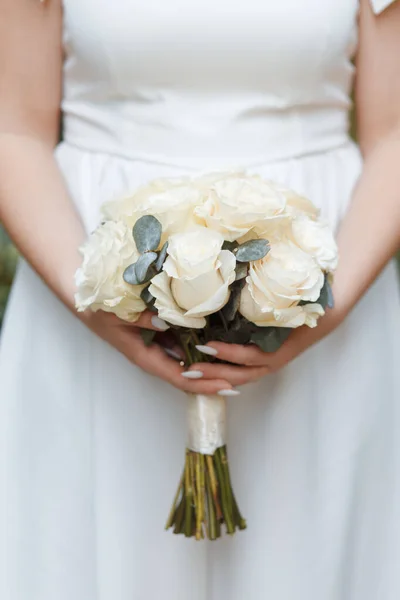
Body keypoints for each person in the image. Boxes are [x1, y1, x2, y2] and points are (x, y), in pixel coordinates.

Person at [0, 0, 399, 598]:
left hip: (324, 296)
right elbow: (14, 129)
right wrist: (100, 303)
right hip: (85, 294)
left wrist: (320, 309)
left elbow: (394, 134)